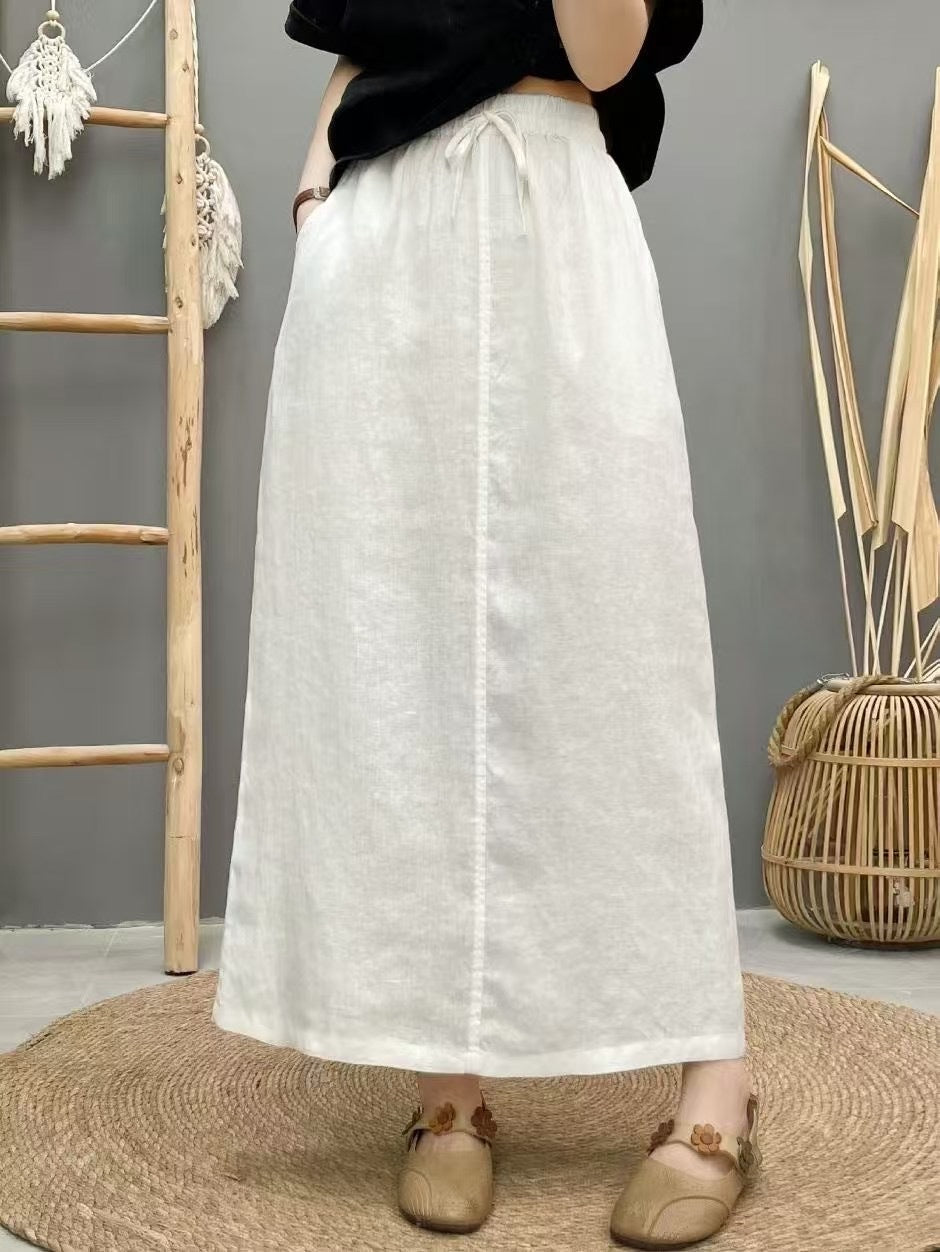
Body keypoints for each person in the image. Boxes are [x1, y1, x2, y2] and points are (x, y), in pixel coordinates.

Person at [212, 1, 761, 1245]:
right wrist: (314, 201)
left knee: (624, 657)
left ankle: (716, 1076)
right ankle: (448, 1086)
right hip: (380, 238)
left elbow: (606, 53)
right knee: (394, 652)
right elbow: (363, 44)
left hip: (555, 211)